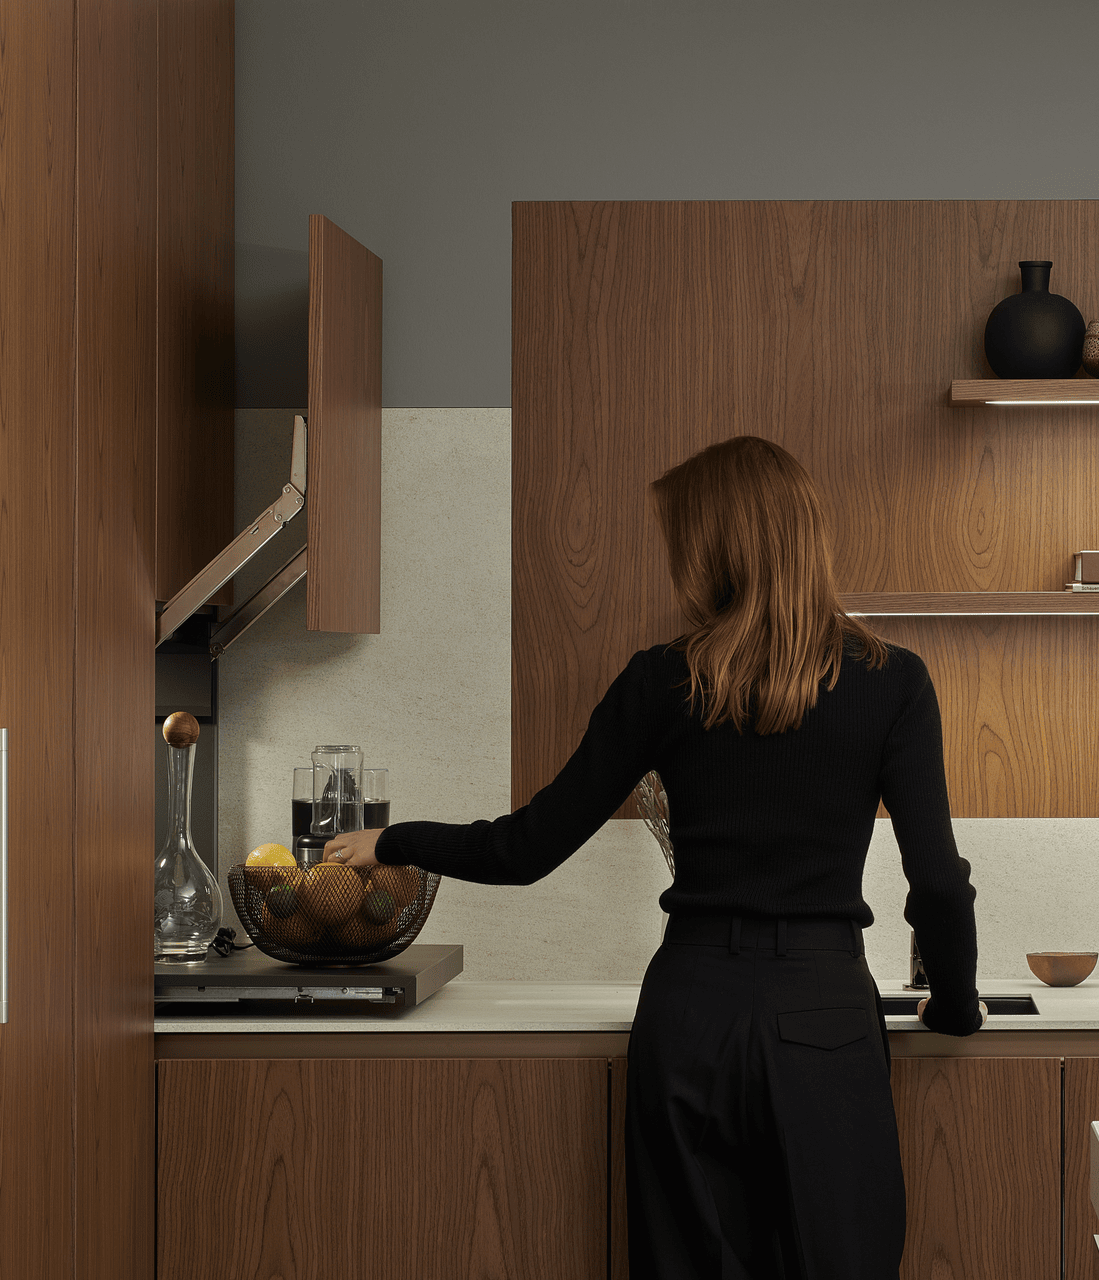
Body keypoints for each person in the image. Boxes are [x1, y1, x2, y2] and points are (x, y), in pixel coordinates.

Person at [326, 435, 982, 1279]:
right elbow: (936, 880)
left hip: (691, 1017)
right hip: (822, 1019)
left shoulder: (662, 681)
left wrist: (394, 840)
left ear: (715, 550)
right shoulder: (894, 681)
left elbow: (527, 847)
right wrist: (956, 1004)